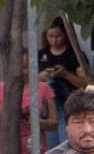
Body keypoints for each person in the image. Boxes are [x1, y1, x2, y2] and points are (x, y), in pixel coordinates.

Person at [37, 17, 88, 147]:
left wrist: (65, 74)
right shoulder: (40, 55)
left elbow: (85, 83)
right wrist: (42, 76)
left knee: (66, 143)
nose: (54, 40)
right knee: (50, 145)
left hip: (69, 105)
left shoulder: (74, 54)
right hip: (47, 108)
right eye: (50, 37)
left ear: (65, 34)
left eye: (58, 36)